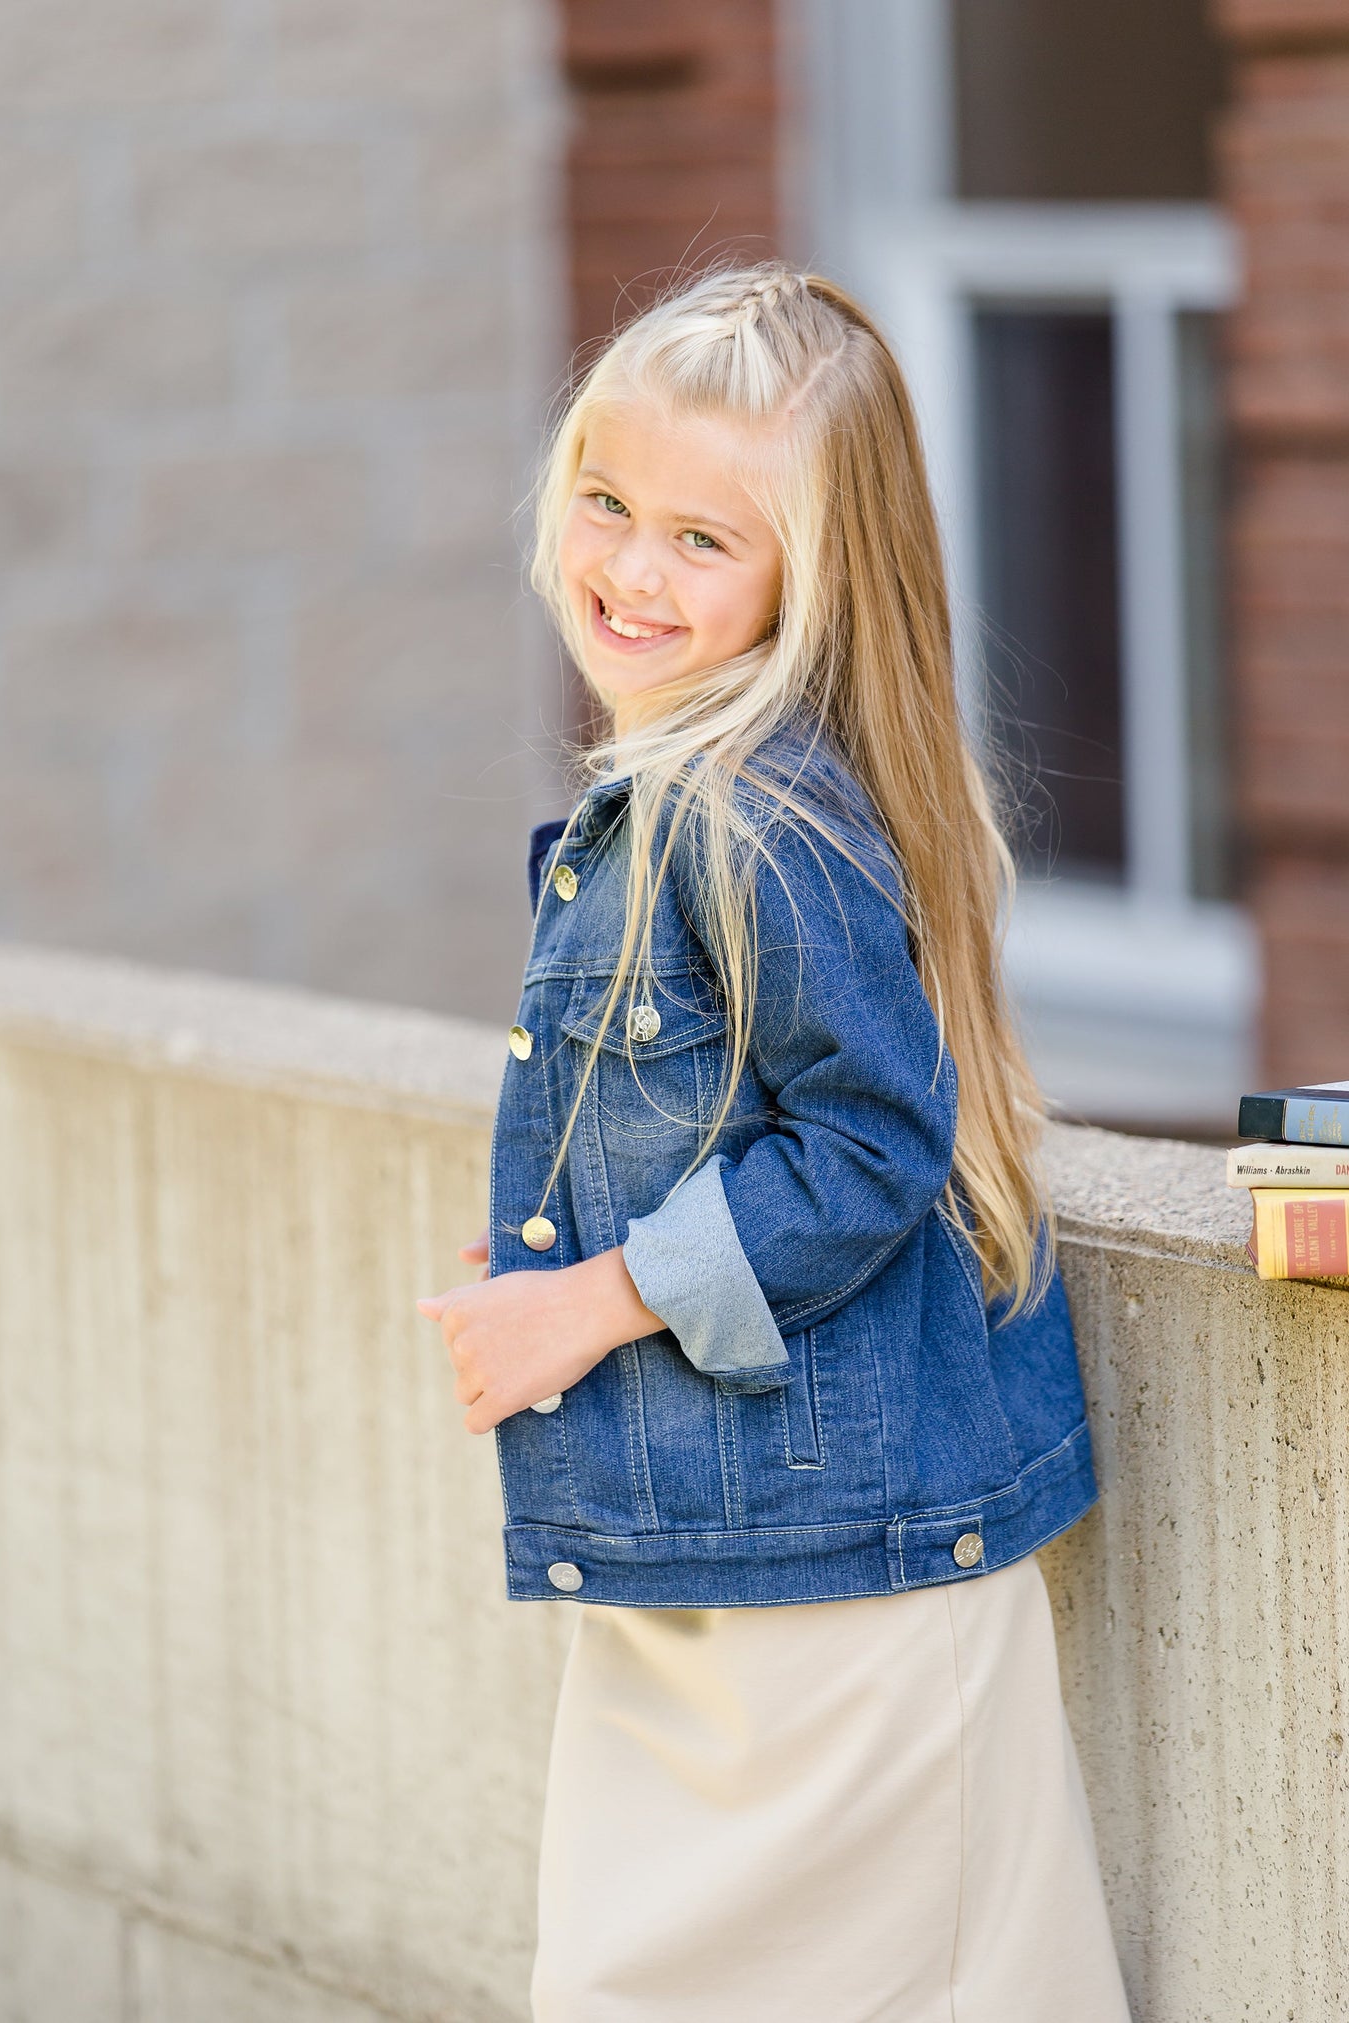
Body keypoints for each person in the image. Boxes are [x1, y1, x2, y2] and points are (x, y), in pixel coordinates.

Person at [418, 265, 1130, 2022]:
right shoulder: (670, 795)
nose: (631, 572)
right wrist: (569, 1252)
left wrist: (593, 1300)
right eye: (605, 502)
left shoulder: (753, 815)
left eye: (702, 540)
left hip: (841, 1601)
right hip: (727, 1562)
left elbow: (873, 1147)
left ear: (813, 581)